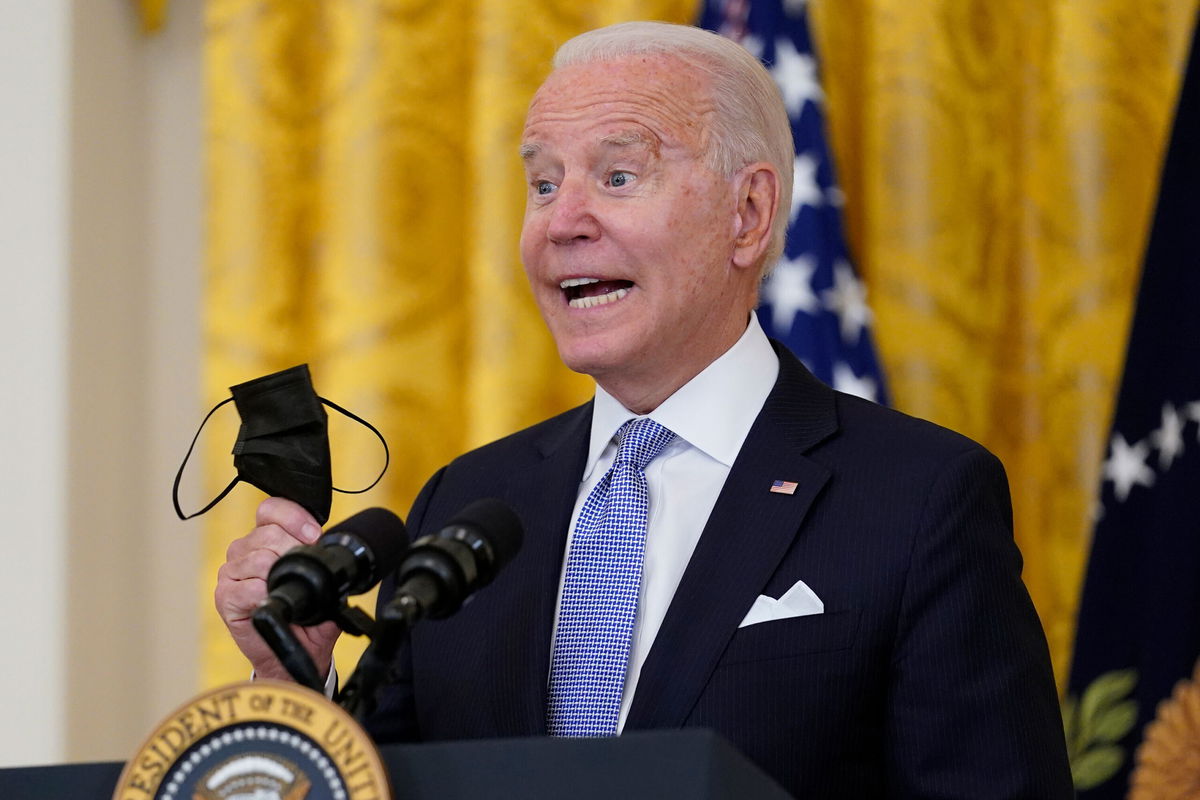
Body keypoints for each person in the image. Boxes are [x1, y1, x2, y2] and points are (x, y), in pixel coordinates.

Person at [216, 21, 1073, 798]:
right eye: (543, 184)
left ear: (748, 213)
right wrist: (297, 680)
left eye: (618, 175)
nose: (563, 222)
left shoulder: (917, 499)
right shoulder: (467, 506)